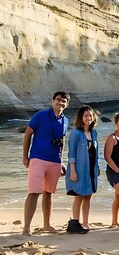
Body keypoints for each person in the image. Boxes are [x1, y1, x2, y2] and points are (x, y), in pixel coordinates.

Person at [22, 91, 70, 236]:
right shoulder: (40, 116)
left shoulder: (65, 120)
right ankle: (26, 228)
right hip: (37, 158)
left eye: (64, 101)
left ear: (67, 104)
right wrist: (25, 156)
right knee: (34, 192)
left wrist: (61, 161)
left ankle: (47, 225)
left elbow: (62, 141)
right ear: (52, 101)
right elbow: (27, 134)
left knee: (48, 193)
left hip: (55, 161)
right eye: (58, 100)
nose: (60, 103)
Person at [65, 105, 99, 234]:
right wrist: (73, 171)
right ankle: (75, 222)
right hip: (79, 169)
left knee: (88, 196)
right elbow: (71, 153)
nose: (88, 118)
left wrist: (98, 168)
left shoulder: (94, 132)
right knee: (78, 196)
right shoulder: (75, 133)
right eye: (85, 116)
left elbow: (95, 153)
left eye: (90, 115)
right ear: (81, 117)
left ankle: (85, 222)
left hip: (91, 168)